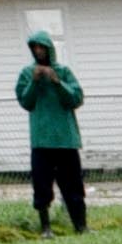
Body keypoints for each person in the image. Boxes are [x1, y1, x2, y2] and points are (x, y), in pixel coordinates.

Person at [16, 33, 88, 233]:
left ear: (49, 49)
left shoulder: (64, 72)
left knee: (73, 186)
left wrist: (57, 82)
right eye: (35, 48)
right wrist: (34, 82)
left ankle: (81, 225)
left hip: (66, 140)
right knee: (42, 186)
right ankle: (46, 227)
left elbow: (76, 99)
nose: (39, 51)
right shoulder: (27, 73)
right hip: (41, 140)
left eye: (42, 47)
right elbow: (26, 102)